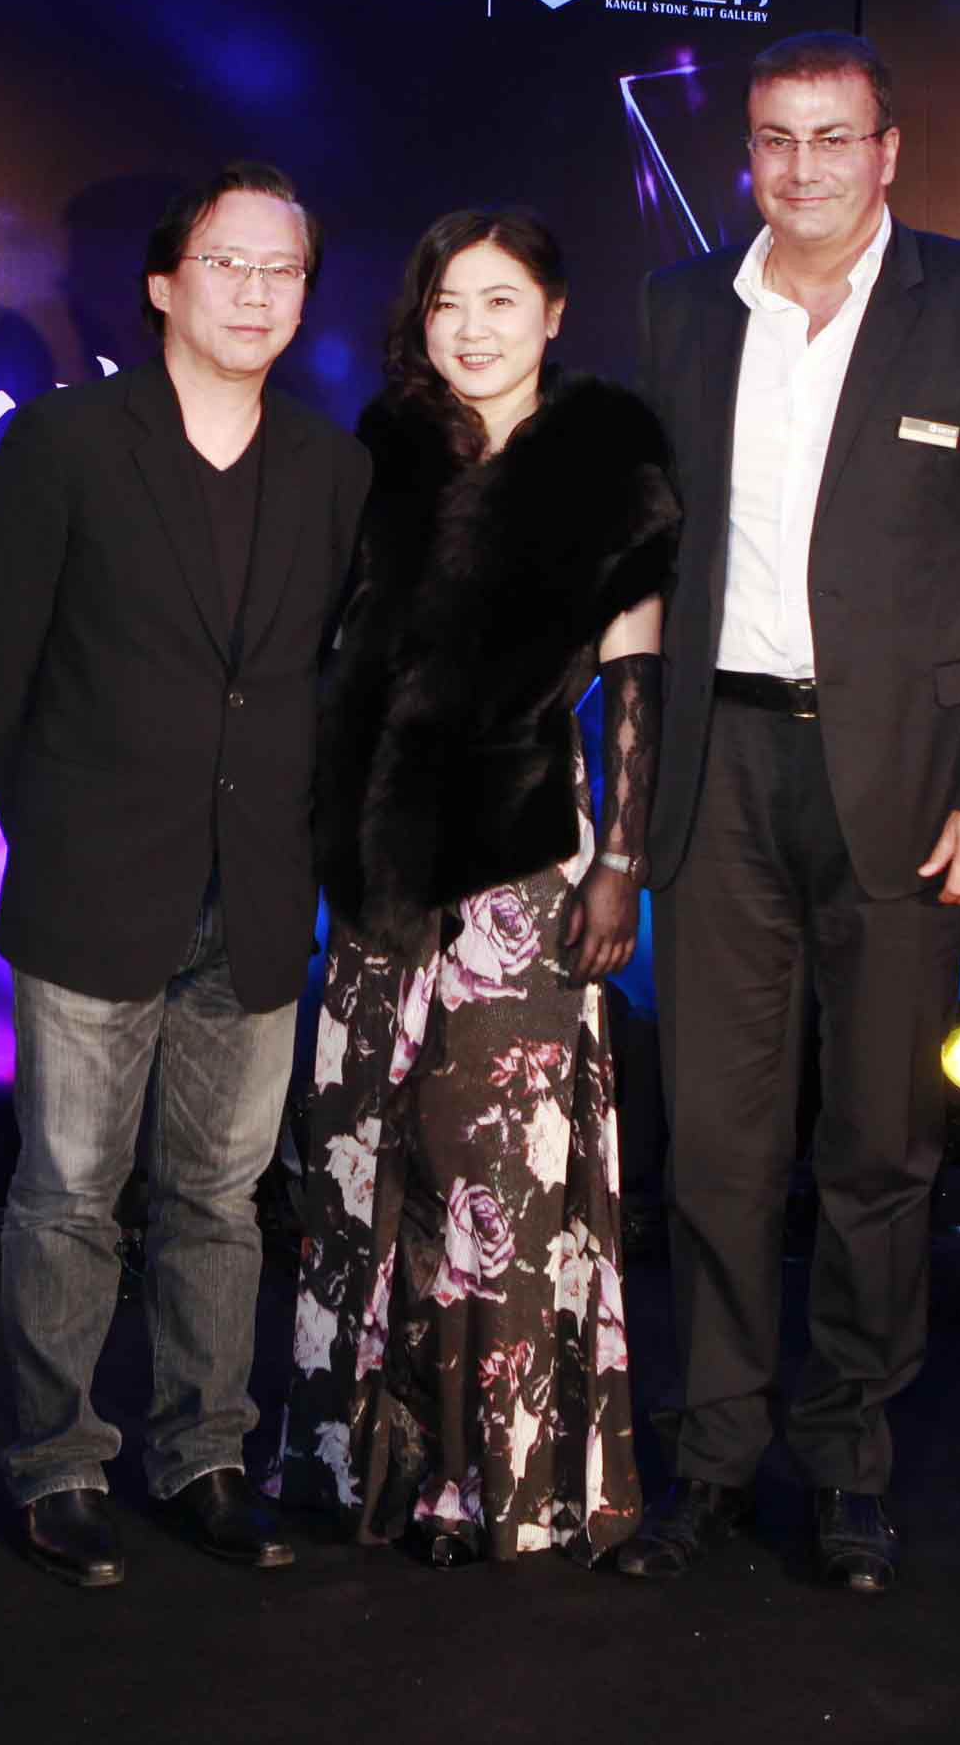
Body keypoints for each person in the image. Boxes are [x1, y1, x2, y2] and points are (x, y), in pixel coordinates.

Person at [618, 33, 960, 1593]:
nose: (802, 166)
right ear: (745, 154)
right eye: (774, 137)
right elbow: (642, 554)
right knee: (715, 1142)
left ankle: (846, 1464)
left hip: (905, 784)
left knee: (879, 1141)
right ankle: (711, 1453)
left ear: (888, 151)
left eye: (832, 137)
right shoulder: (681, 307)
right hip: (718, 769)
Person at [0, 162, 372, 1589]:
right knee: (69, 1193)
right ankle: (60, 1465)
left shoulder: (334, 470)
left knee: (221, 1200)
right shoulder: (67, 444)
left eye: (282, 270)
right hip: (94, 881)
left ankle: (204, 1455)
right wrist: (59, 828)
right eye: (226, 264)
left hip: (257, 890)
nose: (255, 292)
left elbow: (327, 683)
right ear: (161, 284)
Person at [276, 207, 675, 1568]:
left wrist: (621, 864)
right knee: (364, 1160)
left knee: (495, 1177)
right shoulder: (383, 456)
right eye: (448, 302)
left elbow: (635, 683)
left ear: (554, 313)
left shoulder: (607, 465)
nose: (472, 329)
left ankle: (491, 1481)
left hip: (521, 865)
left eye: (501, 300)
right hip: (377, 870)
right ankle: (371, 1466)